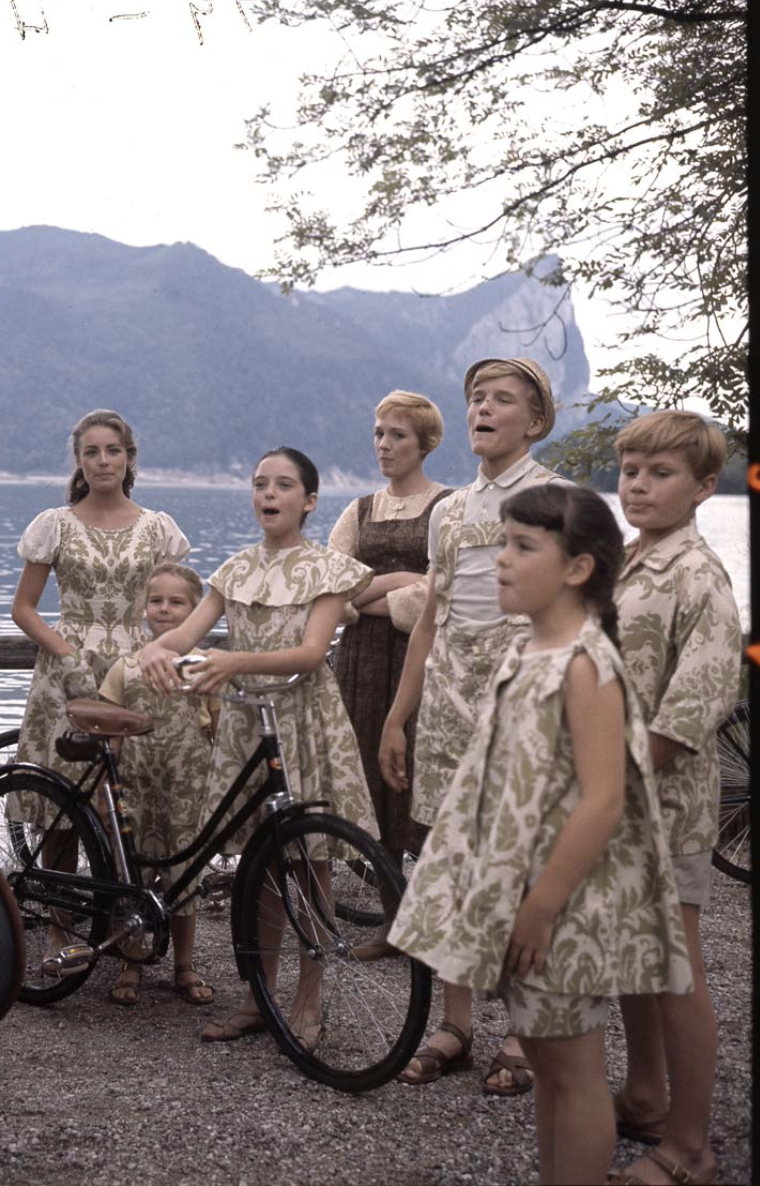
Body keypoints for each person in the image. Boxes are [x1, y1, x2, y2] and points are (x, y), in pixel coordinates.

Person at [389, 484, 692, 1186]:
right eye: (502, 542)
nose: (500, 560)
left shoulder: (586, 663)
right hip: (527, 895)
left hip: (565, 906)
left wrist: (542, 905)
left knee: (574, 1069)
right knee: (552, 1065)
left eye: (523, 547)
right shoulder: (527, 649)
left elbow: (603, 799)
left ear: (578, 568)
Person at [140, 447, 377, 1052]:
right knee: (261, 863)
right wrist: (153, 651)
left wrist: (235, 661)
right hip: (251, 723)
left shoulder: (327, 568)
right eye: (259, 484)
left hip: (304, 719)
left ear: (309, 500)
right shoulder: (235, 569)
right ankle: (258, 995)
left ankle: (309, 994)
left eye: (283, 485)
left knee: (312, 859)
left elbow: (310, 652)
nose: (268, 494)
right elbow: (186, 634)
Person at [379, 356, 568, 1094]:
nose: (483, 410)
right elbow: (432, 614)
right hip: (447, 708)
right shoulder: (450, 511)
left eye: (502, 400)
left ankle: (526, 1033)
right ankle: (456, 1023)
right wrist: (399, 716)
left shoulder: (556, 498)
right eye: (475, 399)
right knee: (446, 862)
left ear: (536, 420)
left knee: (522, 864)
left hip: (522, 703)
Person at [609, 412, 740, 1186]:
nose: (639, 485)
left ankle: (691, 1147)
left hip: (663, 803)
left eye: (659, 474)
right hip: (614, 798)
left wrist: (615, 775)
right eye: (630, 472)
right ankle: (646, 1094)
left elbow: (700, 698)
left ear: (702, 487)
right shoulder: (631, 559)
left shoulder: (697, 571)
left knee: (675, 969)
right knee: (633, 954)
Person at [327, 390, 451, 957]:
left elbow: (439, 596)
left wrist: (379, 593)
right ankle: (393, 920)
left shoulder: (447, 507)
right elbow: (332, 592)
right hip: (356, 664)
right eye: (378, 433)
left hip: (420, 665)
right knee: (367, 784)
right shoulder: (358, 510)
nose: (384, 444)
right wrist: (400, 582)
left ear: (423, 442)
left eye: (396, 435)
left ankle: (434, 922)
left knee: (417, 781)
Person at [11, 408, 191, 782]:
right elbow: (23, 608)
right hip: (67, 665)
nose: (103, 461)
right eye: (92, 452)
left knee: (130, 787)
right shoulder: (56, 524)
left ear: (129, 457)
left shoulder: (158, 528)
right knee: (64, 788)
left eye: (113, 451)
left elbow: (175, 606)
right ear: (79, 461)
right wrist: (66, 654)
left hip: (137, 662)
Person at [98, 562, 218, 1008]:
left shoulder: (204, 665)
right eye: (156, 601)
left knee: (185, 874)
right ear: (143, 608)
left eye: (177, 602)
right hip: (135, 786)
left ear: (194, 611)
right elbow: (110, 736)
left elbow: (218, 731)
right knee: (131, 873)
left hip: (187, 786)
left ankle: (184, 965)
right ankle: (130, 959)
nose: (165, 610)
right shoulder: (125, 668)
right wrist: (106, 789)